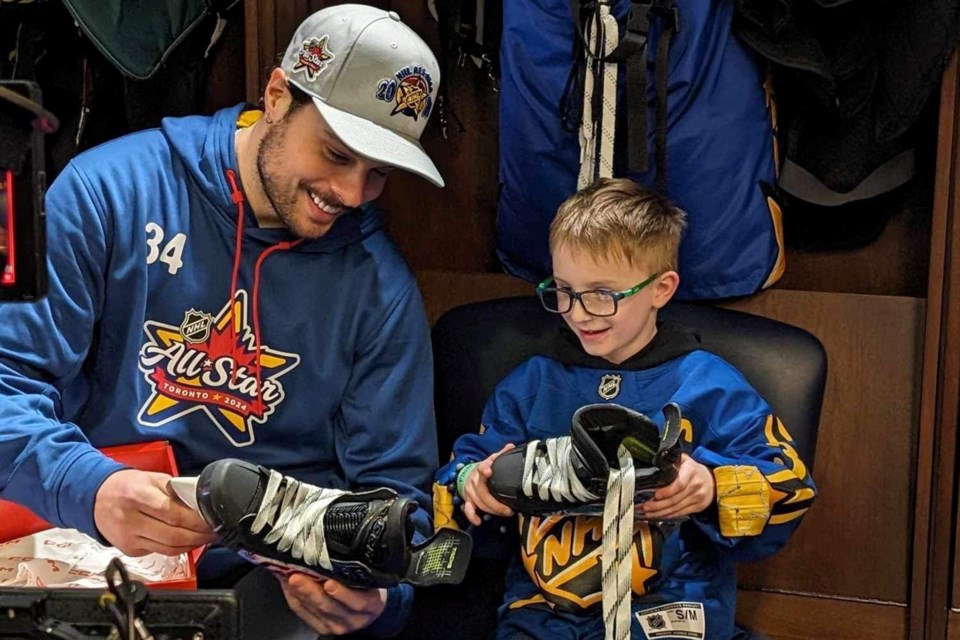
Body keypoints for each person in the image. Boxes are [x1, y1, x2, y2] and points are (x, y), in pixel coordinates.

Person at [0, 4, 444, 637]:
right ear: (277, 94)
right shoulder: (107, 191)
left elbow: (396, 504)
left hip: (266, 584)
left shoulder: (381, 286)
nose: (351, 194)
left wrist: (376, 597)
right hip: (90, 540)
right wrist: (90, 486)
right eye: (337, 154)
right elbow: (6, 385)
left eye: (378, 174)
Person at [436, 178, 817, 639]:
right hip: (543, 618)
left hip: (670, 615)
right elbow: (457, 480)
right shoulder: (531, 384)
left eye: (602, 294)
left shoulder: (710, 386)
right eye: (563, 290)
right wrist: (473, 483)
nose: (577, 313)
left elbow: (791, 486)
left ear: (661, 288)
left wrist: (712, 485)